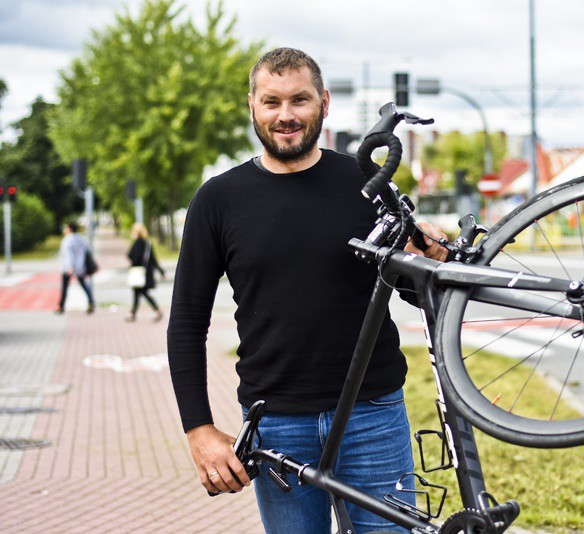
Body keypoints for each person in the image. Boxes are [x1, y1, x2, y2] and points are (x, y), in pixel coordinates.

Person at [167, 47, 447, 533]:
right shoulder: (217, 200)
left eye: (300, 100)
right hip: (277, 425)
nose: (286, 115)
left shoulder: (366, 181)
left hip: (374, 414)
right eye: (272, 102)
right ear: (251, 105)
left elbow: (409, 290)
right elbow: (186, 323)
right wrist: (199, 429)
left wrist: (430, 264)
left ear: (324, 103)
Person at [125, 223, 165, 322]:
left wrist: (132, 263)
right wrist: (161, 271)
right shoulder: (147, 243)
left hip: (139, 273)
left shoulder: (137, 242)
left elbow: (132, 256)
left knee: (141, 292)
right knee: (139, 293)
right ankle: (133, 314)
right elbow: (153, 259)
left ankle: (157, 311)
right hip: (146, 273)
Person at [56, 221, 95, 315]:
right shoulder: (81, 238)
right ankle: (91, 302)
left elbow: (68, 254)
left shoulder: (67, 240)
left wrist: (70, 266)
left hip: (69, 267)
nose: (64, 230)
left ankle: (61, 306)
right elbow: (88, 250)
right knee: (84, 285)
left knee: (65, 287)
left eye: (65, 228)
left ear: (69, 229)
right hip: (80, 266)